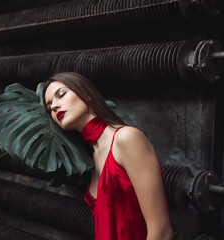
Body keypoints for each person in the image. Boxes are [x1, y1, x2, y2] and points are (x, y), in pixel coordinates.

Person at [42, 72, 173, 240]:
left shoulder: (126, 138)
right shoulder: (93, 156)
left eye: (61, 94)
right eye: (49, 106)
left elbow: (162, 232)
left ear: (87, 94)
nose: (54, 106)